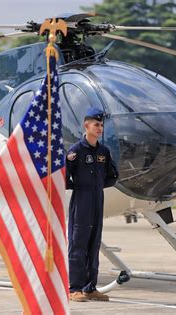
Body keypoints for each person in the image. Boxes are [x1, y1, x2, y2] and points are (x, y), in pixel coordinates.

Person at [66, 107, 119, 302]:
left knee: (93, 244)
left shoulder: (103, 152)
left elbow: (112, 176)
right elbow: (63, 176)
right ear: (86, 126)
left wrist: (96, 187)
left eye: (101, 125)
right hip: (82, 200)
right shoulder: (75, 152)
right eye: (96, 125)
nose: (100, 128)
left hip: (97, 199)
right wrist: (81, 187)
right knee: (78, 244)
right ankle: (75, 288)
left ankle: (90, 287)